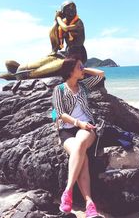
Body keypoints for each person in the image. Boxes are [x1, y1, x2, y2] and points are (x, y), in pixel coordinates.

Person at [52, 55, 104, 217]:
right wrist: (78, 123)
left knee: (81, 143)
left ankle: (67, 192)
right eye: (79, 67)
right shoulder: (59, 89)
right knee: (83, 157)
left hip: (87, 127)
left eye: (82, 67)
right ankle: (89, 203)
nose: (82, 70)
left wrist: (83, 69)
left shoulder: (84, 86)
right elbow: (61, 114)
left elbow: (100, 74)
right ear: (69, 71)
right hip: (67, 129)